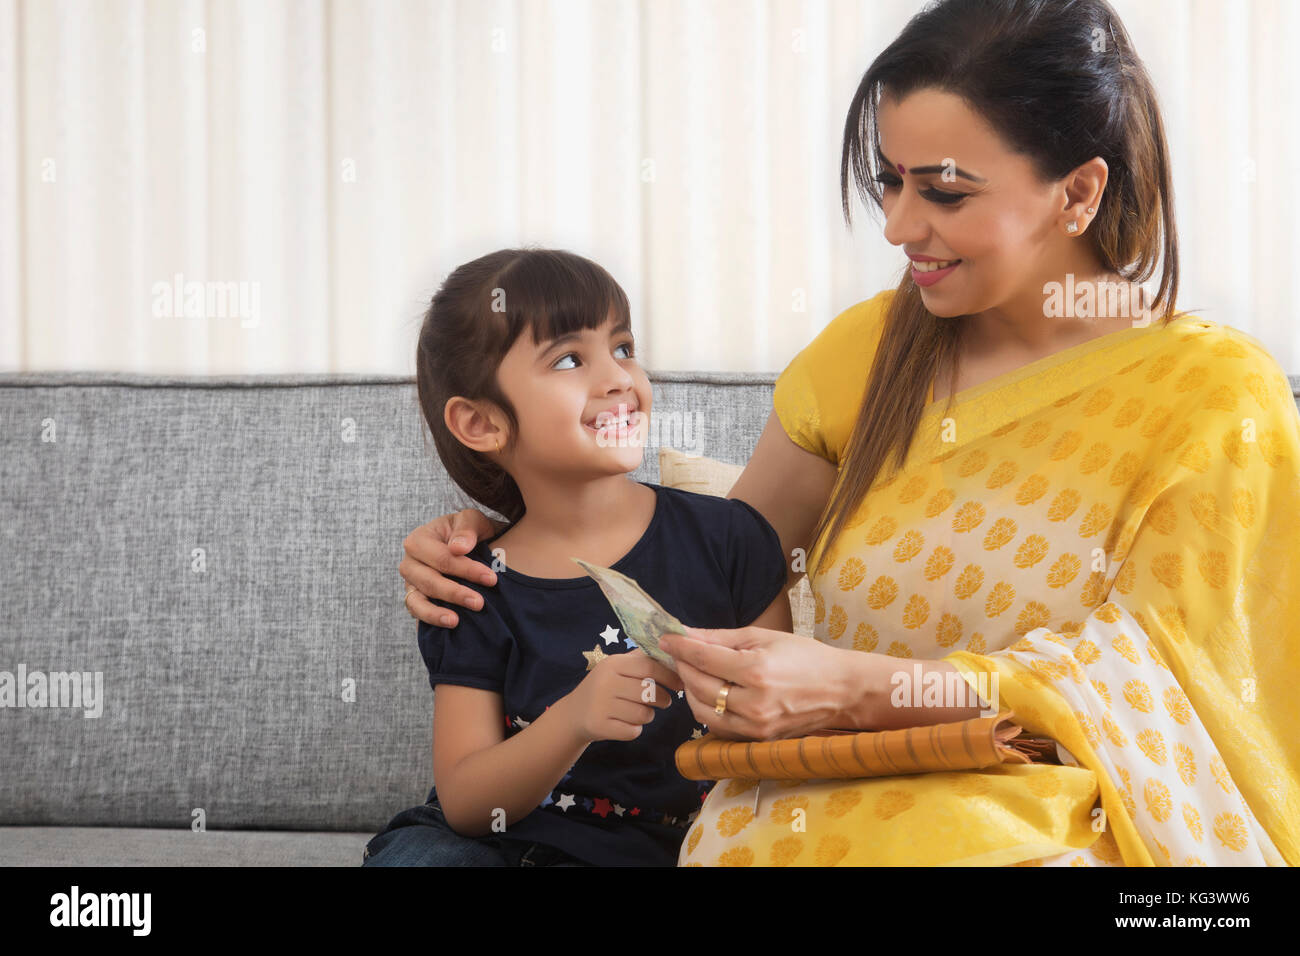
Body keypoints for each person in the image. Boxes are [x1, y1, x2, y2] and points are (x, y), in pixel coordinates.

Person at [398, 0, 1300, 867]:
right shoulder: (865, 353)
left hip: (1065, 818)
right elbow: (693, 570)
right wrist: (495, 532)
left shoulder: (1217, 397)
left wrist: (849, 686)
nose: (900, 227)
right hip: (816, 805)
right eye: (889, 181)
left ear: (1079, 191)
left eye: (944, 191)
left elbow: (1184, 693)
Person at [363, 248, 792, 867]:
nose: (619, 377)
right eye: (569, 359)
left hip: (670, 846)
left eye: (622, 347)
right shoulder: (476, 582)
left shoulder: (728, 539)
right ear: (481, 423)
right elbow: (465, 801)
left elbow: (781, 722)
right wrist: (574, 720)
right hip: (498, 846)